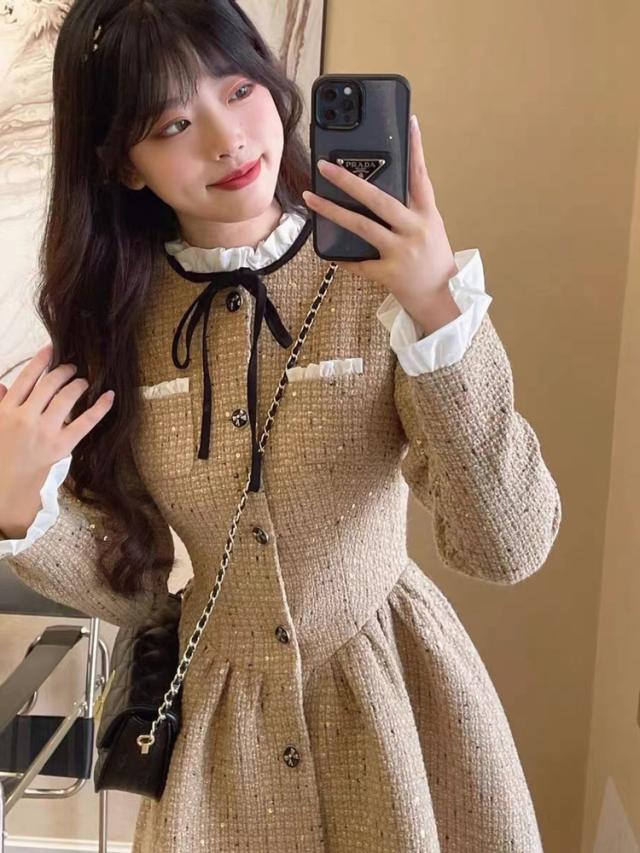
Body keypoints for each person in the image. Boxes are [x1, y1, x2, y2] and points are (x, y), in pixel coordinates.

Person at [0, 1, 562, 850]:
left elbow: (507, 545)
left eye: (239, 89)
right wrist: (22, 510)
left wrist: (439, 311)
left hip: (402, 719)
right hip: (221, 752)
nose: (227, 140)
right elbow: (142, 592)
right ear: (122, 165)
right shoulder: (114, 327)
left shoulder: (388, 282)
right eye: (173, 123)